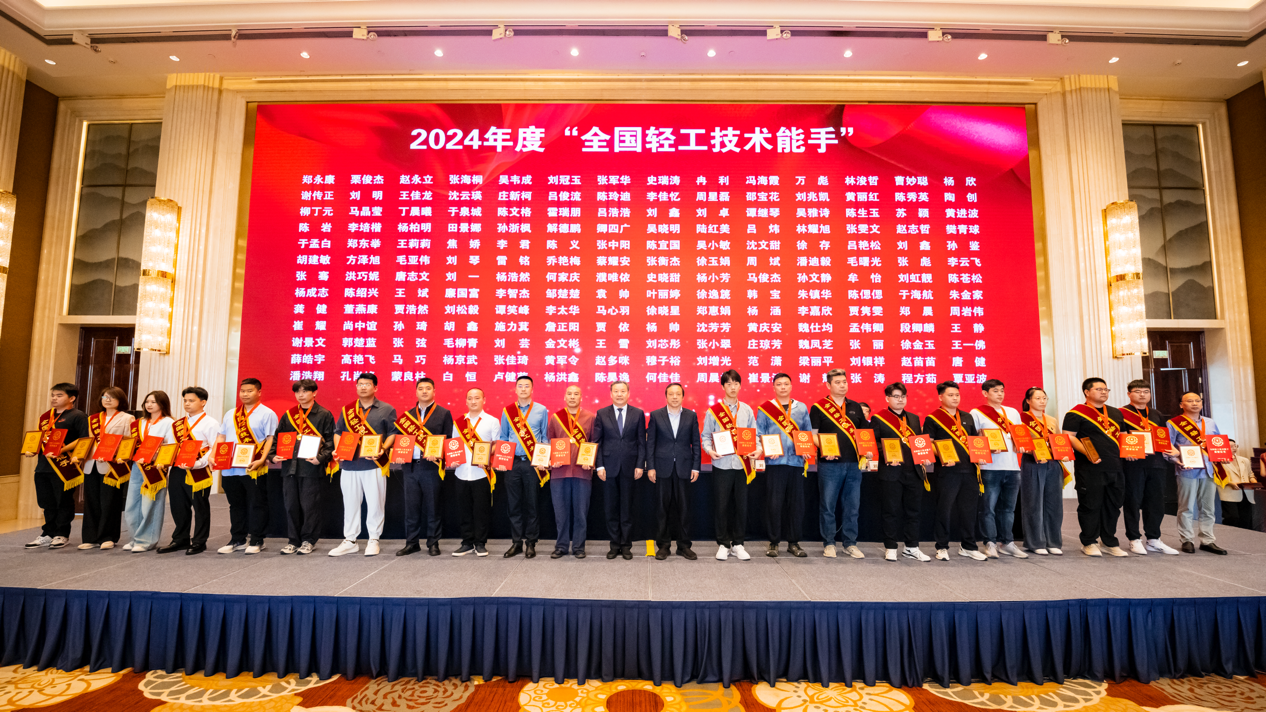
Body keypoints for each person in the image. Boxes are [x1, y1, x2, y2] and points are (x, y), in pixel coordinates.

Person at [330, 373, 396, 557]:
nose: (363, 387)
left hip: (373, 464)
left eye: (367, 384)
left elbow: (393, 433)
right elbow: (338, 432)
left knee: (375, 504)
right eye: (360, 384)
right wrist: (338, 450)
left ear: (375, 387)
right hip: (349, 465)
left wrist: (383, 448)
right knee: (350, 504)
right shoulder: (347, 410)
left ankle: (374, 539)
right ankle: (350, 540)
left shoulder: (386, 409)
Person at [1063, 377, 1129, 557]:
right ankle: (1089, 542)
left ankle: (1109, 541)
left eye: (1106, 389)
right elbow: (1068, 436)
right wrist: (1088, 453)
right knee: (1090, 505)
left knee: (1113, 506)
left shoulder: (1115, 413)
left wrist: (1131, 450)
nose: (1104, 392)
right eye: (1099, 389)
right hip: (1089, 467)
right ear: (1087, 392)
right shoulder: (1076, 413)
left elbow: (1123, 436)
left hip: (1115, 466)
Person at [810, 368, 870, 559]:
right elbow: (813, 435)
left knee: (852, 506)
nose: (842, 385)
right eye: (837, 382)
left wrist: (868, 450)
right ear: (828, 385)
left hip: (854, 464)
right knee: (828, 505)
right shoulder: (818, 407)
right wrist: (824, 449)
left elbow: (864, 434)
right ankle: (829, 543)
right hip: (829, 465)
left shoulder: (855, 407)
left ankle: (850, 543)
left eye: (844, 381)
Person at [270, 378, 335, 555]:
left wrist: (321, 458)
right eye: (297, 391)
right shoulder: (289, 415)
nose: (300, 394)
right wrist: (272, 455)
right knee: (291, 506)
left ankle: (308, 540)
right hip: (289, 468)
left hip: (311, 468)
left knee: (310, 506)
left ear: (314, 393)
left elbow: (330, 441)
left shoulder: (324, 414)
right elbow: (278, 438)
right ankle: (293, 541)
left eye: (305, 391)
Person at [700, 369, 760, 561]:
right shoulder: (714, 411)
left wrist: (758, 449)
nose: (732, 387)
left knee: (741, 506)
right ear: (723, 387)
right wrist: (709, 450)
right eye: (729, 384)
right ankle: (723, 544)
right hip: (722, 466)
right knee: (722, 506)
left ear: (740, 386)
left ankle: (738, 544)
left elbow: (755, 436)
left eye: (736, 383)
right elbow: (705, 437)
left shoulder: (747, 410)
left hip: (742, 466)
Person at [923, 381, 986, 561]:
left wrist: (981, 454)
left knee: (969, 511)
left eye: (957, 395)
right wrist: (942, 455)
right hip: (947, 472)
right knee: (944, 509)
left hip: (969, 471)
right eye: (950, 395)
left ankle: (968, 546)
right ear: (940, 397)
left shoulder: (967, 417)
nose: (955, 398)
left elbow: (974, 441)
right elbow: (928, 443)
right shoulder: (933, 418)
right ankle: (942, 546)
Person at [215, 378, 278, 555]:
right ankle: (238, 539)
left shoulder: (267, 413)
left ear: (259, 392)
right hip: (230, 467)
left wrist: (262, 459)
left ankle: (257, 539)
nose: (245, 394)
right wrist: (214, 456)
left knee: (257, 503)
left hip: (253, 466)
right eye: (242, 391)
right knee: (235, 504)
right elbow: (221, 436)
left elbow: (270, 439)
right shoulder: (231, 414)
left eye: (249, 391)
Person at [24, 383, 89, 549]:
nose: (54, 398)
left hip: (64, 466)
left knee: (63, 501)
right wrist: (33, 450)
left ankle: (62, 534)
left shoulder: (78, 416)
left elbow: (83, 439)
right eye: (53, 395)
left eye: (59, 395)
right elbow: (40, 437)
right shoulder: (46, 417)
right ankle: (48, 533)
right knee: (46, 502)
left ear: (71, 398)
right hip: (43, 465)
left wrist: (63, 449)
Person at [869, 382, 930, 562]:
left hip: (914, 472)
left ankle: (912, 547)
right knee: (891, 511)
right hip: (891, 471)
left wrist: (925, 455)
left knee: (914, 511)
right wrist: (887, 454)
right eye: (896, 396)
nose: (900, 400)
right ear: (887, 398)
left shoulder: (914, 418)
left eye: (903, 396)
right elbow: (874, 442)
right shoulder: (879, 418)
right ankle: (891, 546)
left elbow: (919, 442)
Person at [1120, 380, 1180, 555]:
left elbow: (1163, 437)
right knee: (1133, 501)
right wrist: (1126, 451)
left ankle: (1154, 539)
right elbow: (1119, 436)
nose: (1142, 394)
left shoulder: (1156, 414)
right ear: (1129, 394)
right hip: (1133, 464)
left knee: (1156, 502)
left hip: (1157, 463)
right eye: (1138, 391)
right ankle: (1134, 538)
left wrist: (1174, 452)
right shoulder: (1120, 413)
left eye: (1146, 391)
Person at [395, 377, 453, 557]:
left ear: (434, 391)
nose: (424, 391)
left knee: (433, 507)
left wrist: (440, 454)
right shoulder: (407, 416)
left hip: (431, 467)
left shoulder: (443, 413)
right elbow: (401, 440)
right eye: (421, 388)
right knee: (411, 508)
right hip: (410, 467)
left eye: (428, 388)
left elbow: (448, 440)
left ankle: (433, 543)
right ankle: (411, 543)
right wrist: (398, 454)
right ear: (416, 391)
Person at [969, 379, 1027, 559]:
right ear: (985, 393)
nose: (1000, 394)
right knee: (988, 508)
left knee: (1008, 509)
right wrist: (986, 447)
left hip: (1012, 467)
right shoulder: (977, 413)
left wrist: (1023, 445)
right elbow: (974, 440)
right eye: (995, 391)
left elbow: (1019, 435)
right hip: (989, 467)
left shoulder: (1013, 412)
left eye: (1002, 390)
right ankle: (990, 542)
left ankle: (1007, 542)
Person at [158, 387, 220, 555]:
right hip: (178, 469)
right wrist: (163, 460)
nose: (187, 404)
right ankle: (180, 539)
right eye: (185, 400)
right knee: (178, 505)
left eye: (191, 401)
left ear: (203, 402)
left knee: (199, 507)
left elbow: (214, 447)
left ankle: (199, 541)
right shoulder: (177, 424)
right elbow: (171, 446)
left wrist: (199, 463)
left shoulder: (211, 423)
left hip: (199, 471)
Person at [757, 373, 811, 558]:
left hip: (796, 463)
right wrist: (766, 449)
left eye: (786, 384)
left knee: (796, 505)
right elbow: (759, 433)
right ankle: (773, 542)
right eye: (779, 384)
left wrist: (807, 449)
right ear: (773, 387)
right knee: (774, 504)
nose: (782, 387)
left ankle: (794, 542)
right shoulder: (765, 409)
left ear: (791, 386)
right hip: (775, 463)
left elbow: (806, 433)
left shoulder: (801, 408)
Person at [1166, 392, 1228, 554]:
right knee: (1186, 507)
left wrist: (1224, 456)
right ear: (1181, 404)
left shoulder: (1210, 422)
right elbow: (1167, 446)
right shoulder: (1174, 423)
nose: (1194, 403)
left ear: (1201, 403)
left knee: (1208, 508)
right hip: (1187, 470)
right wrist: (1176, 459)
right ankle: (1187, 539)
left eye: (1197, 400)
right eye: (1190, 401)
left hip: (1209, 470)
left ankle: (1207, 540)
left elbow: (1218, 444)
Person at [496, 375, 549, 559]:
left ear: (532, 389)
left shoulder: (541, 410)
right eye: (520, 386)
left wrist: (543, 459)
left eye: (527, 386)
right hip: (513, 463)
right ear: (515, 389)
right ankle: (516, 543)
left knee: (532, 504)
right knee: (514, 504)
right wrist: (502, 460)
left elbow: (544, 437)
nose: (524, 389)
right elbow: (504, 437)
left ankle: (531, 543)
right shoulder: (508, 411)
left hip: (533, 463)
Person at [647, 382, 701, 560]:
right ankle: (663, 546)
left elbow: (696, 443)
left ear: (683, 396)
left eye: (678, 394)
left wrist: (696, 466)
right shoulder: (656, 415)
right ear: (666, 396)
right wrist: (651, 466)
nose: (675, 397)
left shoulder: (691, 416)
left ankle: (684, 546)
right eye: (671, 394)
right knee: (662, 509)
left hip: (684, 468)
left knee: (684, 509)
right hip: (662, 468)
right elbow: (650, 443)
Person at [593, 380, 646, 560]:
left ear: (628, 393)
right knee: (611, 508)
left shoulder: (638, 413)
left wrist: (640, 464)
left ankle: (626, 545)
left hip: (630, 467)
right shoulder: (602, 413)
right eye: (616, 391)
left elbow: (641, 442)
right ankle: (614, 545)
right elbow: (597, 442)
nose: (619, 394)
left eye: (623, 391)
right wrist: (599, 465)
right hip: (608, 468)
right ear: (611, 394)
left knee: (627, 508)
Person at [77, 387, 135, 550]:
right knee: (92, 501)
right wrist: (79, 455)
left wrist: (116, 455)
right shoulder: (93, 419)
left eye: (112, 397)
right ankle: (90, 537)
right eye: (104, 397)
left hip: (113, 465)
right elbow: (87, 440)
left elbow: (129, 442)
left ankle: (108, 537)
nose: (107, 400)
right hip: (91, 464)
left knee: (110, 502)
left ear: (120, 400)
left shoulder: (127, 418)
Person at [546, 384, 596, 558]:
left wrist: (591, 461)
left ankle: (579, 547)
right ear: (565, 397)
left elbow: (594, 442)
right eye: (569, 394)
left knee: (581, 513)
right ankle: (561, 546)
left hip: (582, 473)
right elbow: (550, 442)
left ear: (581, 397)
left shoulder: (590, 417)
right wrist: (550, 460)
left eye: (576, 394)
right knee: (561, 513)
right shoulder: (555, 418)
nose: (573, 397)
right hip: (559, 473)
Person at [122, 391, 174, 552]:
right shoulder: (139, 423)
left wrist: (157, 454)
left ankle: (146, 541)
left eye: (153, 402)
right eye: (147, 401)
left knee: (150, 505)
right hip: (137, 466)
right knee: (132, 504)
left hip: (155, 467)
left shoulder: (169, 422)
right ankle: (135, 538)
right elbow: (131, 443)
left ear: (162, 404)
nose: (149, 405)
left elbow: (171, 446)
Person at [451, 387, 498, 557]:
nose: (473, 401)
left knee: (481, 510)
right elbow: (454, 444)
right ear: (466, 401)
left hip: (481, 473)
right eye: (470, 398)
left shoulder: (492, 421)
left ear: (484, 400)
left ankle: (480, 543)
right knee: (464, 510)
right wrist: (453, 458)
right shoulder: (459, 422)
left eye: (477, 398)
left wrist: (486, 456)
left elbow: (497, 444)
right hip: (461, 472)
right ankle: (466, 542)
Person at [1019, 387, 1065, 555]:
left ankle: (1053, 541)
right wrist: (1032, 451)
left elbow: (1058, 440)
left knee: (1054, 504)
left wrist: (1064, 453)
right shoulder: (1021, 419)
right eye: (1038, 398)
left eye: (1044, 398)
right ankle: (1035, 542)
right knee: (1033, 503)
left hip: (1053, 463)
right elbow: (1020, 442)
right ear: (1028, 401)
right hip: (1033, 462)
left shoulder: (1051, 420)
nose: (1042, 401)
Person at [1222, 439, 1258, 530]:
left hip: (1246, 492)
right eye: (1231, 446)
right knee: (1232, 517)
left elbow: (1250, 475)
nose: (1234, 448)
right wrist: (1229, 483)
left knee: (1246, 519)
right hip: (1230, 492)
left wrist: (1254, 482)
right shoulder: (1219, 461)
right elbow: (1217, 477)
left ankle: (1246, 537)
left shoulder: (1244, 460)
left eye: (1235, 446)